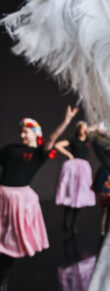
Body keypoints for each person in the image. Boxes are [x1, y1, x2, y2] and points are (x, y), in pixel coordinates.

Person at [0, 106, 78, 288]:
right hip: (2, 195)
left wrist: (66, 120)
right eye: (21, 132)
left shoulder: (38, 154)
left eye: (26, 132)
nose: (22, 135)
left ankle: (3, 275)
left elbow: (51, 139)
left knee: (12, 241)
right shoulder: (11, 149)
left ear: (36, 134)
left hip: (19, 200)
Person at [54, 121, 97, 234]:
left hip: (84, 170)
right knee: (71, 193)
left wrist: (91, 129)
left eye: (85, 128)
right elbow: (57, 145)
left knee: (82, 194)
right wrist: (69, 154)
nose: (84, 130)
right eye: (82, 128)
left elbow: (99, 134)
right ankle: (66, 222)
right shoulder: (73, 140)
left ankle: (74, 223)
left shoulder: (88, 141)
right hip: (73, 169)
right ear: (78, 130)